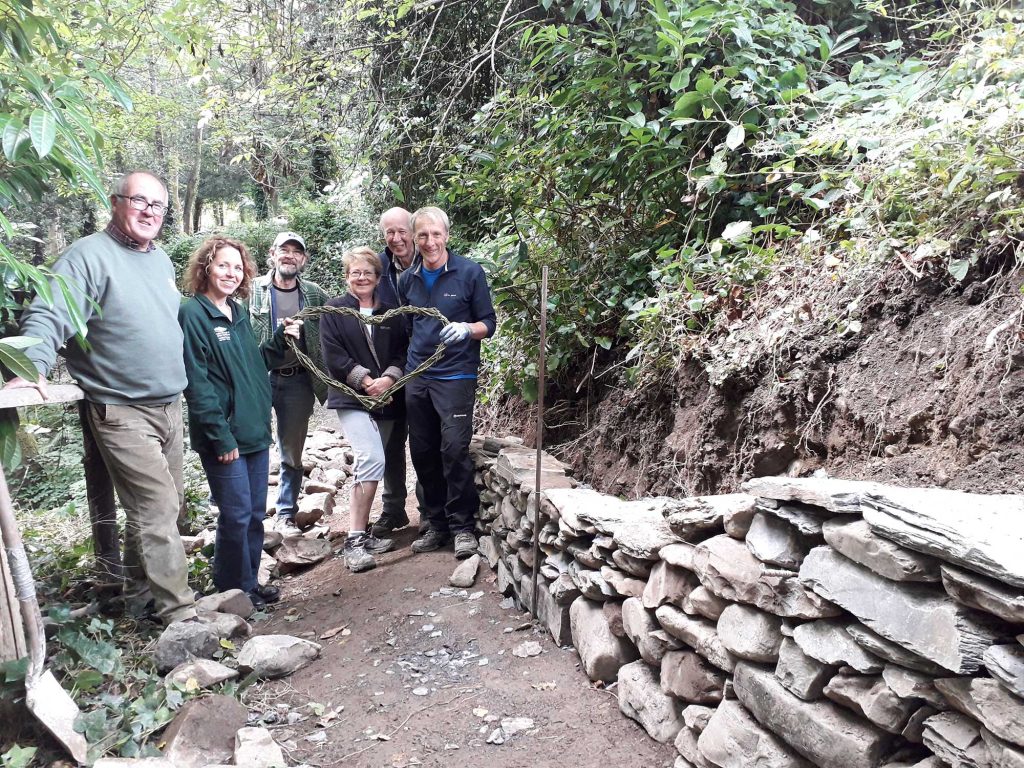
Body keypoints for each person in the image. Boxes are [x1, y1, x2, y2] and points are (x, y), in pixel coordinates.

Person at [5, 171, 197, 624]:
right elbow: (50, 313)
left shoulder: (160, 260)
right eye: (139, 201)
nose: (149, 212)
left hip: (169, 404)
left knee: (158, 507)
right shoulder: (86, 257)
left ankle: (138, 596)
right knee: (157, 508)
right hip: (121, 408)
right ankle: (181, 614)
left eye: (158, 205)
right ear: (116, 202)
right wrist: (29, 366)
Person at [179, 237, 298, 609]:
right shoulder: (193, 314)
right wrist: (220, 435)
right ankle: (233, 591)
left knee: (254, 514)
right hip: (225, 435)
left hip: (254, 430)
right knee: (235, 515)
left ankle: (250, 583)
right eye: (222, 265)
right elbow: (197, 383)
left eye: (237, 267)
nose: (231, 273)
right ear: (206, 268)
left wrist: (279, 341)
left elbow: (253, 363)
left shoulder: (237, 310)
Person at [399, 207, 496, 559]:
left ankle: (462, 527)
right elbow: (407, 327)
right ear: (415, 239)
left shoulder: (469, 272)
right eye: (423, 235)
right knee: (422, 452)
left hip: (456, 374)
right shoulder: (407, 279)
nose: (430, 242)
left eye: (436, 234)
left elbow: (489, 323)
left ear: (447, 236)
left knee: (453, 449)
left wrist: (466, 329)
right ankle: (436, 525)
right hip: (418, 376)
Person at [320, 247, 407, 572]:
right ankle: (354, 542)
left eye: (367, 272)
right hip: (350, 396)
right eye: (355, 272)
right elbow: (333, 355)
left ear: (377, 277)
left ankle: (362, 532)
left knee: (371, 463)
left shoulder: (390, 313)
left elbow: (402, 352)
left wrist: (388, 379)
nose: (361, 278)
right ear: (347, 276)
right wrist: (367, 381)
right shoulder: (334, 310)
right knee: (371, 458)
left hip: (386, 397)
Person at [249, 232, 328, 533]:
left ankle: (285, 512)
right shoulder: (251, 290)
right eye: (284, 249)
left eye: (297, 251)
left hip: (297, 380)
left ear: (303, 259)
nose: (290, 255)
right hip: (258, 379)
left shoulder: (314, 294)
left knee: (292, 450)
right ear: (272, 254)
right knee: (252, 444)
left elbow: (334, 325)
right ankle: (251, 516)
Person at [371, 207, 424, 537]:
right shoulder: (378, 268)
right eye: (389, 232)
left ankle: (429, 510)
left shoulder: (430, 262)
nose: (396, 238)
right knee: (390, 441)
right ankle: (393, 509)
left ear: (413, 231)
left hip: (423, 367)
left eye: (402, 230)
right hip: (388, 367)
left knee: (423, 440)